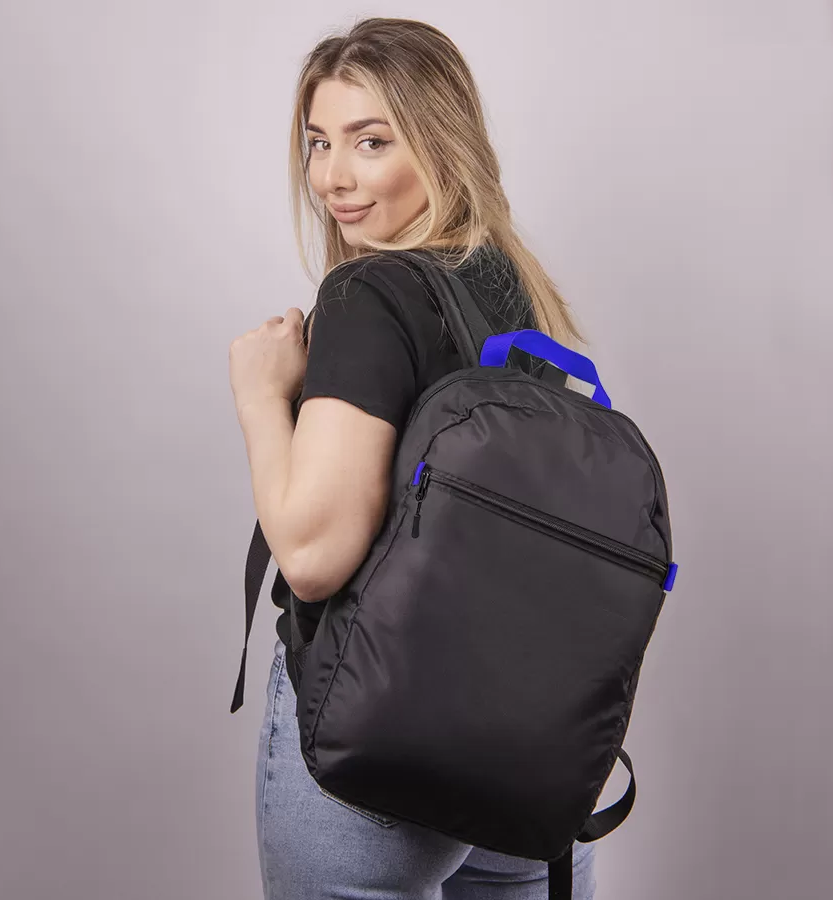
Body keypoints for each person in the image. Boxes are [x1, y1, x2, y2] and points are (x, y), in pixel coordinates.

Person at [228, 16, 597, 900]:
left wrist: (260, 394)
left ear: (440, 142)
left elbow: (313, 558)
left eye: (371, 141)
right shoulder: (511, 281)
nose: (333, 178)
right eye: (319, 143)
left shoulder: (367, 294)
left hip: (376, 744)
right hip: (522, 747)